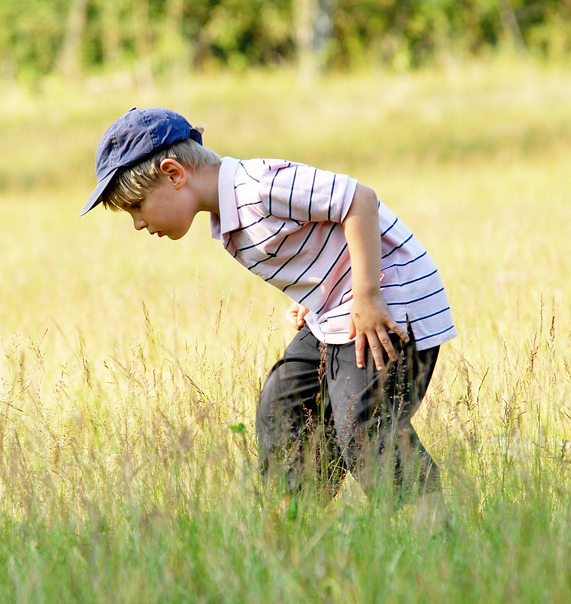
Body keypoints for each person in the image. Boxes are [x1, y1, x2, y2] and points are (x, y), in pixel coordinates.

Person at [81, 107, 457, 530]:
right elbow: (316, 240)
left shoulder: (258, 186)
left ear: (173, 173)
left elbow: (358, 201)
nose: (137, 223)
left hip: (389, 302)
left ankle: (430, 532)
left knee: (362, 422)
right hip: (333, 310)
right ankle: (291, 527)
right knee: (283, 406)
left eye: (136, 205)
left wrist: (367, 294)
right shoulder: (227, 218)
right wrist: (315, 290)